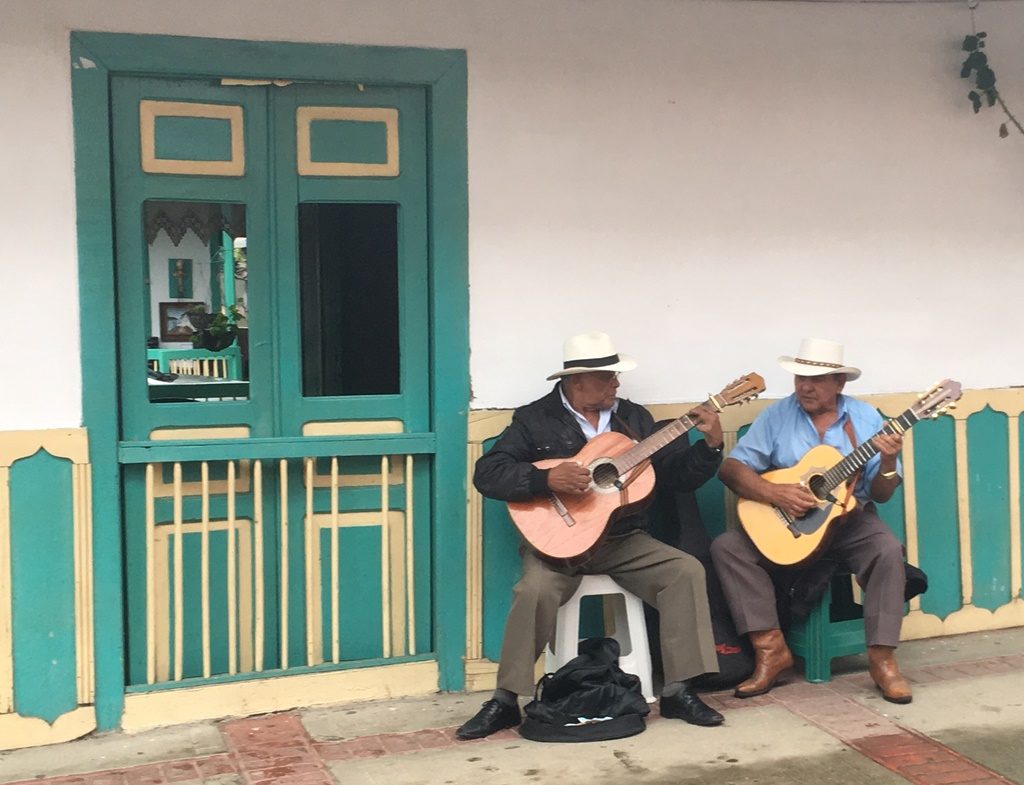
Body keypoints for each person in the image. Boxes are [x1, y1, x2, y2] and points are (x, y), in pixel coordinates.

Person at [456, 331, 726, 740]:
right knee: (533, 590)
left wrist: (710, 445)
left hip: (621, 541)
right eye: (606, 377)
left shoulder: (633, 420)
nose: (616, 384)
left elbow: (675, 476)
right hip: (557, 546)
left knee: (684, 570)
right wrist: (546, 477)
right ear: (575, 380)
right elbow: (488, 474)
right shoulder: (534, 419)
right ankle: (506, 699)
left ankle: (678, 690)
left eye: (616, 376)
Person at [710, 338, 912, 704]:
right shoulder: (777, 415)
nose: (805, 386)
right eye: (800, 377)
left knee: (886, 549)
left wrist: (885, 463)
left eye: (816, 379)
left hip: (849, 522)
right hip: (792, 526)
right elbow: (731, 468)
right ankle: (771, 651)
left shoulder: (866, 419)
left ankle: (883, 659)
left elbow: (881, 494)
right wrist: (774, 493)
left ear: (840, 384)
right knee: (727, 547)